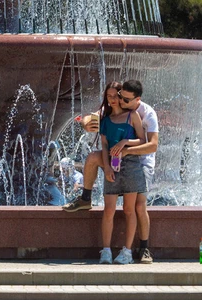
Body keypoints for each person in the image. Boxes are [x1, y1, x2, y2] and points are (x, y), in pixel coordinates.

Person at [64, 79, 158, 264]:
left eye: (125, 98)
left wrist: (125, 148)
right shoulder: (111, 112)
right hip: (114, 160)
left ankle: (143, 248)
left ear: (137, 100)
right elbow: (94, 120)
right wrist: (85, 122)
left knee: (138, 206)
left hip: (139, 161)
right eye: (118, 96)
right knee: (92, 159)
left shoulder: (146, 113)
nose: (120, 100)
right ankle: (85, 198)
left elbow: (151, 144)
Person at [94, 82, 147, 264]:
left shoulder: (132, 116)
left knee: (129, 210)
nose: (113, 99)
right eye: (109, 96)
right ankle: (106, 250)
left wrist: (125, 142)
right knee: (109, 209)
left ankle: (127, 252)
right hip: (112, 166)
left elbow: (142, 140)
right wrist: (106, 166)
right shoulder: (105, 120)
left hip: (131, 165)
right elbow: (104, 145)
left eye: (116, 95)